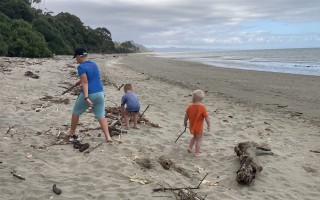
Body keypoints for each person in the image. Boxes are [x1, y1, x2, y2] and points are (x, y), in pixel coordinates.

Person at [65, 48, 112, 143]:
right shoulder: (93, 64)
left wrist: (86, 97)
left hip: (90, 93)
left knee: (76, 112)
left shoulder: (81, 67)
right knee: (101, 115)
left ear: (79, 56)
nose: (76, 60)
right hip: (100, 93)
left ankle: (71, 131)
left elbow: (85, 82)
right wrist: (79, 82)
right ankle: (108, 137)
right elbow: (91, 78)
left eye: (76, 57)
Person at [183, 89, 210, 156]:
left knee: (194, 137)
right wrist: (208, 125)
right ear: (201, 99)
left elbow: (186, 116)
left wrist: (185, 122)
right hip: (198, 127)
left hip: (192, 126)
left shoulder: (190, 106)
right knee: (199, 139)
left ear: (193, 97)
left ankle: (190, 147)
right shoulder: (202, 107)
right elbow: (207, 117)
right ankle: (197, 152)